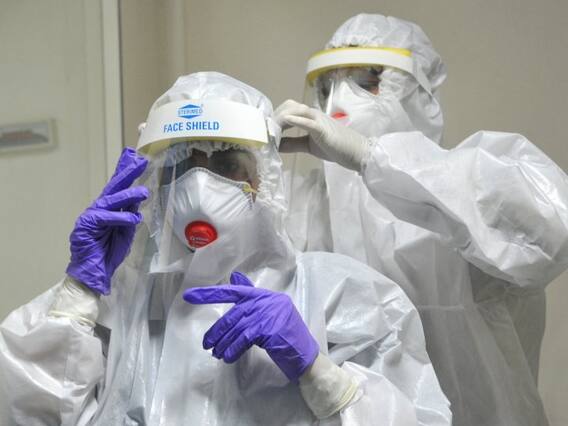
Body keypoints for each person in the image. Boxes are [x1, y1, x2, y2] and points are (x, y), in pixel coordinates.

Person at [0, 72, 451, 425]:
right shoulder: (121, 302)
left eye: (226, 163)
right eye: (182, 164)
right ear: (157, 179)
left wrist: (320, 374)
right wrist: (78, 292)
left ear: (264, 177)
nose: (199, 185)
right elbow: (24, 412)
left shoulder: (343, 295)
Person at [276, 13, 568, 426]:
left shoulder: (466, 195)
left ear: (420, 95)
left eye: (368, 81)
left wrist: (371, 156)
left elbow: (552, 231)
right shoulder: (304, 208)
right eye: (325, 88)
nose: (338, 104)